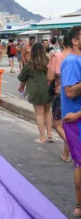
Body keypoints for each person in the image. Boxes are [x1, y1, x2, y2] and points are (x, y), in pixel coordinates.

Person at [60, 26, 81, 217]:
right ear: (75, 41)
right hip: (76, 121)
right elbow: (70, 91)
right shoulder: (72, 62)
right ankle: (79, 206)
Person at [18, 42, 53, 143]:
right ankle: (50, 134)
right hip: (49, 89)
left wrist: (21, 88)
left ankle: (42, 137)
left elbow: (23, 78)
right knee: (47, 111)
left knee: (39, 113)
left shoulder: (30, 64)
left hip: (36, 90)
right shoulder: (49, 61)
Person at [47, 32, 71, 163]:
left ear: (62, 43)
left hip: (60, 93)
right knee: (70, 124)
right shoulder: (77, 57)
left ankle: (73, 146)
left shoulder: (57, 56)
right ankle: (65, 154)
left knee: (57, 124)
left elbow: (50, 77)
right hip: (75, 94)